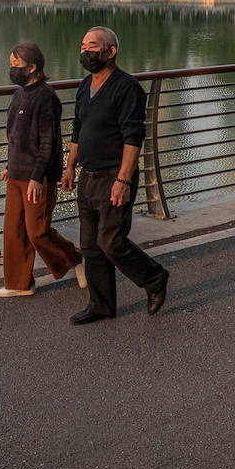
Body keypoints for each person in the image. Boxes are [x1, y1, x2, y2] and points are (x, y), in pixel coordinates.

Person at [61, 26, 169, 324]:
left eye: (93, 46)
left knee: (112, 242)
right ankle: (101, 305)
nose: (86, 52)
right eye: (83, 46)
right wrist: (70, 166)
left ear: (111, 51)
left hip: (113, 176)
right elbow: (77, 129)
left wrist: (123, 179)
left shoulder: (127, 87)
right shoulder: (85, 86)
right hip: (88, 175)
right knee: (91, 247)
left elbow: (133, 137)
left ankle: (154, 278)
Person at [0, 42, 85, 298]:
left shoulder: (46, 97)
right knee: (14, 230)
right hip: (16, 173)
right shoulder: (19, 94)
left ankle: (75, 259)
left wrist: (37, 177)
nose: (12, 69)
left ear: (32, 67)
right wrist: (8, 165)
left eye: (16, 65)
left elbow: (49, 142)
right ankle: (18, 284)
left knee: (37, 231)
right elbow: (16, 135)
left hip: (39, 175)